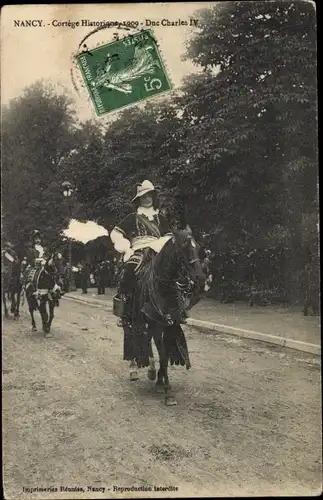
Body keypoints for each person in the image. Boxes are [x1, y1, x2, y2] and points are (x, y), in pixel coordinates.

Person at [110, 180, 173, 323]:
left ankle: (173, 309)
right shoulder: (133, 217)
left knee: (174, 272)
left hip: (159, 249)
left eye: (149, 195)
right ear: (139, 199)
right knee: (129, 270)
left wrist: (157, 244)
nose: (147, 199)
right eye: (144, 197)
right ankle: (124, 308)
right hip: (138, 251)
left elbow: (168, 235)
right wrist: (126, 247)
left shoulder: (160, 218)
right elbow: (115, 233)